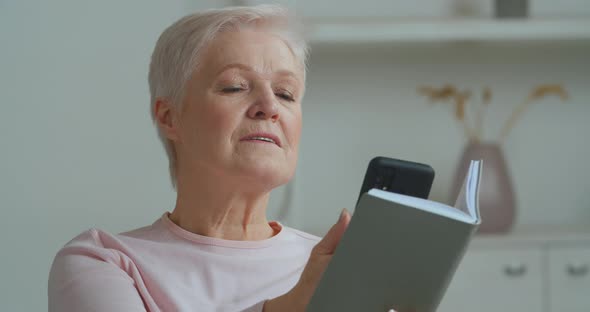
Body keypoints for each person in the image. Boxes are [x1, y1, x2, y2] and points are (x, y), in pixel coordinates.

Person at [48, 5, 352, 311]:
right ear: (170, 117)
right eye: (235, 86)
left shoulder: (339, 268)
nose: (269, 106)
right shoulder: (104, 260)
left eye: (286, 93)